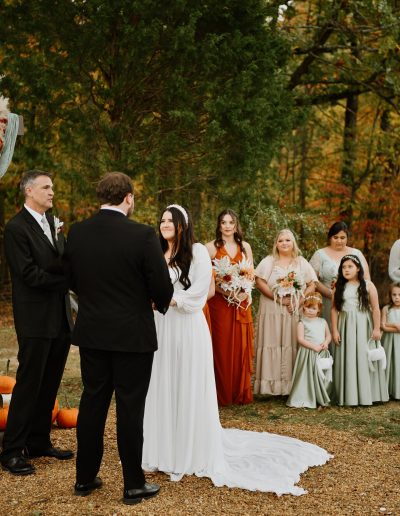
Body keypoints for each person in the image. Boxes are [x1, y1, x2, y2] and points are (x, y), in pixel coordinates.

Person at [143, 204, 332, 495]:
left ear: (182, 224)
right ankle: (162, 446)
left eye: (171, 220)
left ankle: (189, 447)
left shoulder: (196, 252)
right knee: (162, 382)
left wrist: (168, 300)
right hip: (161, 327)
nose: (165, 223)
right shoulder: (155, 252)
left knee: (187, 382)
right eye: (162, 219)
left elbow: (200, 294)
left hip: (186, 326)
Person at [63, 173, 173, 505]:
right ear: (127, 197)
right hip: (132, 336)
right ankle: (133, 485)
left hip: (94, 332)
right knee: (130, 408)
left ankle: (84, 478)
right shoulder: (141, 235)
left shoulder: (78, 232)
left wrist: (95, 303)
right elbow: (161, 285)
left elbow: (70, 277)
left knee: (93, 402)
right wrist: (158, 301)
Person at [0, 169, 73, 476]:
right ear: (29, 191)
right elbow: (27, 274)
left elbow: (62, 261)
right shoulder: (16, 228)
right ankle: (12, 451)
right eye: (46, 187)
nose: (52, 191)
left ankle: (40, 441)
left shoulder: (53, 227)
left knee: (50, 381)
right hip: (34, 318)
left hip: (60, 316)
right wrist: (67, 280)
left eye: (52, 187)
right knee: (29, 384)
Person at [254, 229, 317, 396]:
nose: (284, 243)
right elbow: (259, 282)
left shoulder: (301, 262)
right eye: (281, 240)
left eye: (288, 240)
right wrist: (279, 299)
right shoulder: (269, 261)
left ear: (293, 243)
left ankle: (292, 387)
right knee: (271, 342)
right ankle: (270, 387)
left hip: (294, 309)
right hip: (272, 307)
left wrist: (299, 301)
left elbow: (312, 284)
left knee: (292, 342)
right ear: (276, 244)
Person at [205, 209, 254, 406]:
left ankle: (238, 392)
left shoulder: (245, 247)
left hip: (241, 302)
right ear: (219, 225)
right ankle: (220, 393)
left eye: (230, 222)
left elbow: (251, 273)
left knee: (241, 346)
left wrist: (245, 291)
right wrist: (226, 292)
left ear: (236, 225)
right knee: (221, 345)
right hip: (219, 304)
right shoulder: (210, 248)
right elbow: (207, 278)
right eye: (223, 222)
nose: (227, 226)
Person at [331, 255, 388, 406]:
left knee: (364, 357)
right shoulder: (338, 286)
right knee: (349, 357)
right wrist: (335, 330)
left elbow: (376, 308)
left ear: (358, 269)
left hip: (364, 325)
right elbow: (334, 309)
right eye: (343, 267)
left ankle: (368, 394)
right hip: (345, 324)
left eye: (350, 266)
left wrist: (376, 328)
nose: (346, 270)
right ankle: (349, 395)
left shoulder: (368, 285)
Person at [309, 221, 370, 326]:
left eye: (342, 238)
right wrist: (330, 294)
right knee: (331, 331)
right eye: (335, 237)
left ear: (347, 238)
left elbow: (366, 279)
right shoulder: (319, 254)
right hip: (327, 300)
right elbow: (312, 280)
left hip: (353, 301)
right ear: (330, 238)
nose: (339, 241)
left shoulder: (356, 253)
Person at [287, 293, 332, 409]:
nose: (310, 310)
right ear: (303, 307)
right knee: (306, 375)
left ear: (318, 310)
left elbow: (328, 335)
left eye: (314, 308)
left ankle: (319, 397)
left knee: (319, 376)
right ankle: (303, 398)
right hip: (307, 353)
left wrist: (326, 343)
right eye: (308, 307)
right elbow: (300, 339)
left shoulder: (322, 321)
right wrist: (313, 347)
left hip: (320, 353)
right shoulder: (302, 322)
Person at [381, 283, 400, 400]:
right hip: (389, 342)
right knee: (390, 363)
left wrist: (390, 327)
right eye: (394, 295)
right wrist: (396, 325)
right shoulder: (386, 309)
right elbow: (383, 326)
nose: (397, 297)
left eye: (399, 295)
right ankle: (388, 391)